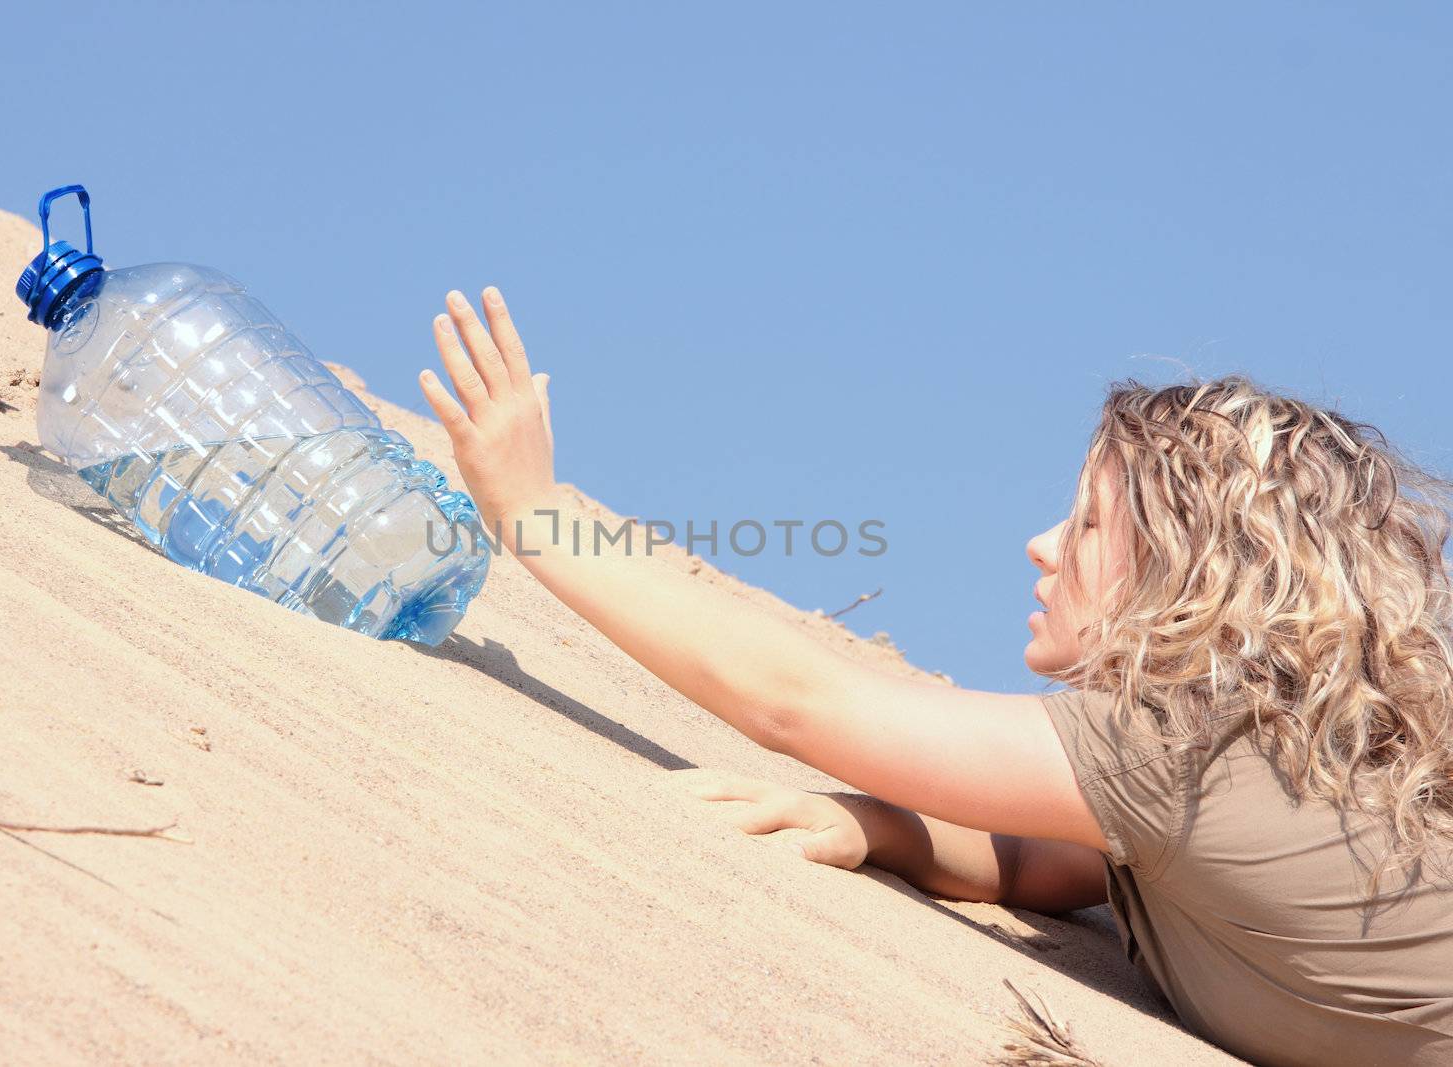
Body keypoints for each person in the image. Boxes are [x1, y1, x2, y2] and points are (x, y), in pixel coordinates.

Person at [417, 287, 1453, 1067]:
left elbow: (794, 702)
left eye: (1091, 521)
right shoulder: (1252, 763)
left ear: (1196, 564)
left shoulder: (1185, 752)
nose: (1042, 545)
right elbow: (1043, 861)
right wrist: (881, 827)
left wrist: (529, 506)